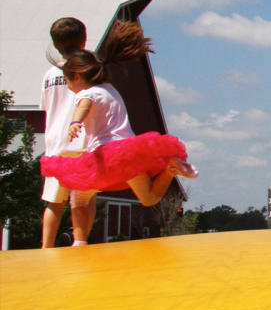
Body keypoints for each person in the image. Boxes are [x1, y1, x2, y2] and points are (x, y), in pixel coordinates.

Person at [39, 21, 197, 208]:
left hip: (107, 155)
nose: (68, 85)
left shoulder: (87, 92)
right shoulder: (111, 90)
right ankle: (170, 170)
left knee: (80, 192)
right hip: (129, 153)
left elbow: (84, 105)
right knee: (148, 198)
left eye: (67, 80)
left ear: (78, 77)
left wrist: (75, 121)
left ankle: (79, 238)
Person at [39, 18, 92, 247]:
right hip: (80, 140)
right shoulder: (88, 69)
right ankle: (79, 243)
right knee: (82, 198)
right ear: (84, 40)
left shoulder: (50, 74)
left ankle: (46, 246)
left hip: (54, 142)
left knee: (54, 201)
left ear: (55, 44)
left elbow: (45, 106)